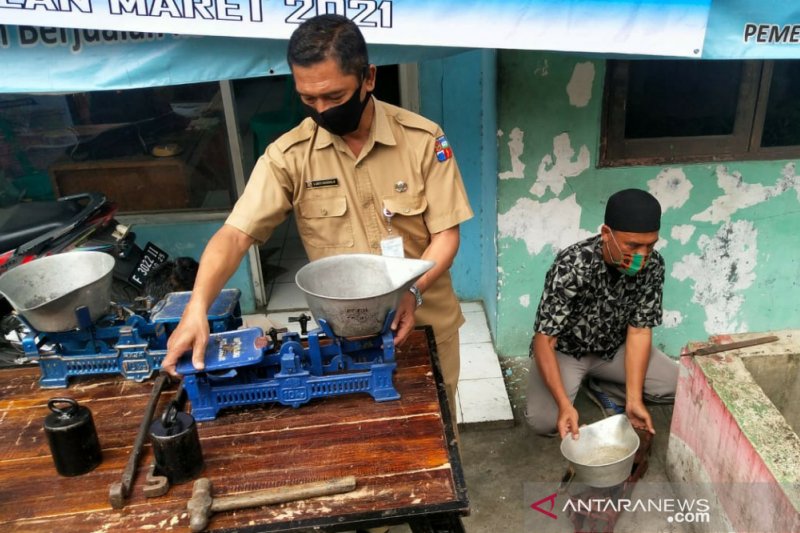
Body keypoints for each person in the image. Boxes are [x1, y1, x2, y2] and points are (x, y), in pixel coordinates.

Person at [160, 15, 473, 426]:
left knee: (437, 433)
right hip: (346, 335)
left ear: (369, 78)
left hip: (424, 322)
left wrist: (411, 293)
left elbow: (446, 237)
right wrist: (197, 308)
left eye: (334, 97)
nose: (322, 110)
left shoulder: (422, 141)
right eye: (309, 99)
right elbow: (235, 235)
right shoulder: (290, 156)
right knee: (368, 443)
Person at [524, 188, 678, 439]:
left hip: (614, 352)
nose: (642, 255)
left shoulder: (654, 266)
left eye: (650, 245)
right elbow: (545, 339)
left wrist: (634, 399)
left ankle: (605, 389)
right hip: (567, 352)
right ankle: (577, 392)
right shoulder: (572, 264)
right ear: (607, 234)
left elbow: (639, 330)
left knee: (681, 387)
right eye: (633, 245)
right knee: (544, 421)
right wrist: (564, 405)